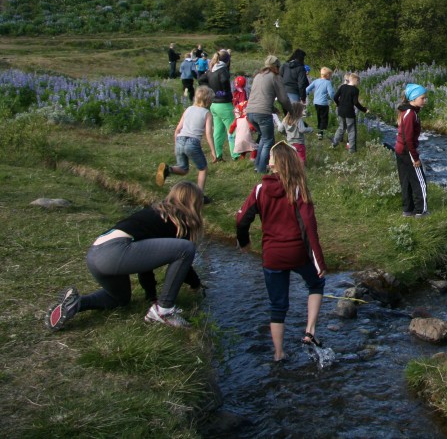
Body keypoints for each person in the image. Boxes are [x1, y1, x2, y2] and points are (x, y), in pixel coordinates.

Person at [44, 181, 205, 331]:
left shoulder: (156, 213)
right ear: (193, 203)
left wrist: (151, 296)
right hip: (114, 252)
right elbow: (184, 259)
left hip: (95, 253)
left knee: (119, 299)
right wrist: (196, 284)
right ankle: (164, 311)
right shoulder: (176, 221)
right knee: (186, 248)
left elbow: (145, 263)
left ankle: (77, 302)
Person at [236, 142, 327, 361]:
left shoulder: (260, 189)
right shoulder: (297, 188)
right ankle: (310, 332)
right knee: (316, 283)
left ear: (272, 164)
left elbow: (242, 219)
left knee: (277, 306)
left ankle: (278, 353)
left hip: (272, 256)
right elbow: (309, 225)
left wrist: (244, 241)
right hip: (297, 252)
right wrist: (318, 261)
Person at [157, 85, 217, 200]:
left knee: (183, 169)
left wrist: (176, 145)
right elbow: (208, 134)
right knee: (203, 169)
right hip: (192, 143)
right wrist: (213, 151)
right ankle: (199, 196)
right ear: (208, 101)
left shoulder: (188, 109)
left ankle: (167, 170)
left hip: (180, 139)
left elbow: (177, 129)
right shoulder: (207, 113)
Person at [245, 55, 292, 174]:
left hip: (250, 112)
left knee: (263, 138)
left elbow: (259, 95)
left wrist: (273, 108)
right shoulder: (275, 77)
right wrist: (292, 110)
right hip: (262, 113)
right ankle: (261, 169)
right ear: (276, 67)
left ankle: (257, 165)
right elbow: (283, 98)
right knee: (269, 141)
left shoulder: (258, 76)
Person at [395, 83, 428, 218]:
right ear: (414, 98)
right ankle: (421, 211)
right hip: (407, 151)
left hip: (400, 150)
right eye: (422, 98)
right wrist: (415, 158)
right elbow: (408, 139)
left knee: (406, 181)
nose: (425, 100)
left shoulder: (407, 111)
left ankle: (407, 210)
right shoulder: (410, 114)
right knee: (420, 182)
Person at [202, 50, 235, 161]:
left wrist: (211, 90)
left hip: (214, 104)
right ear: (227, 60)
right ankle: (235, 155)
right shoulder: (223, 70)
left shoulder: (211, 69)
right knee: (232, 130)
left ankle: (217, 154)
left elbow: (201, 79)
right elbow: (225, 80)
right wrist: (226, 91)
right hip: (224, 104)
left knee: (218, 131)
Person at [331, 72, 369, 152]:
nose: (358, 83)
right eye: (358, 81)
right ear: (355, 80)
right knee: (351, 131)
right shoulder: (355, 90)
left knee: (341, 128)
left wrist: (338, 104)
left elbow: (335, 97)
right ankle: (352, 150)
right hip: (349, 113)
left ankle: (333, 144)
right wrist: (364, 110)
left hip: (340, 111)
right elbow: (356, 103)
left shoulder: (342, 87)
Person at [305, 67, 335, 141]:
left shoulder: (316, 81)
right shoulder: (328, 82)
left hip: (316, 102)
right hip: (324, 103)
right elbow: (331, 93)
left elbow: (307, 89)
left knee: (319, 117)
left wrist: (305, 95)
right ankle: (321, 133)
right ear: (327, 75)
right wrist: (335, 99)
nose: (330, 77)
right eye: (330, 75)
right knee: (324, 118)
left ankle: (319, 131)